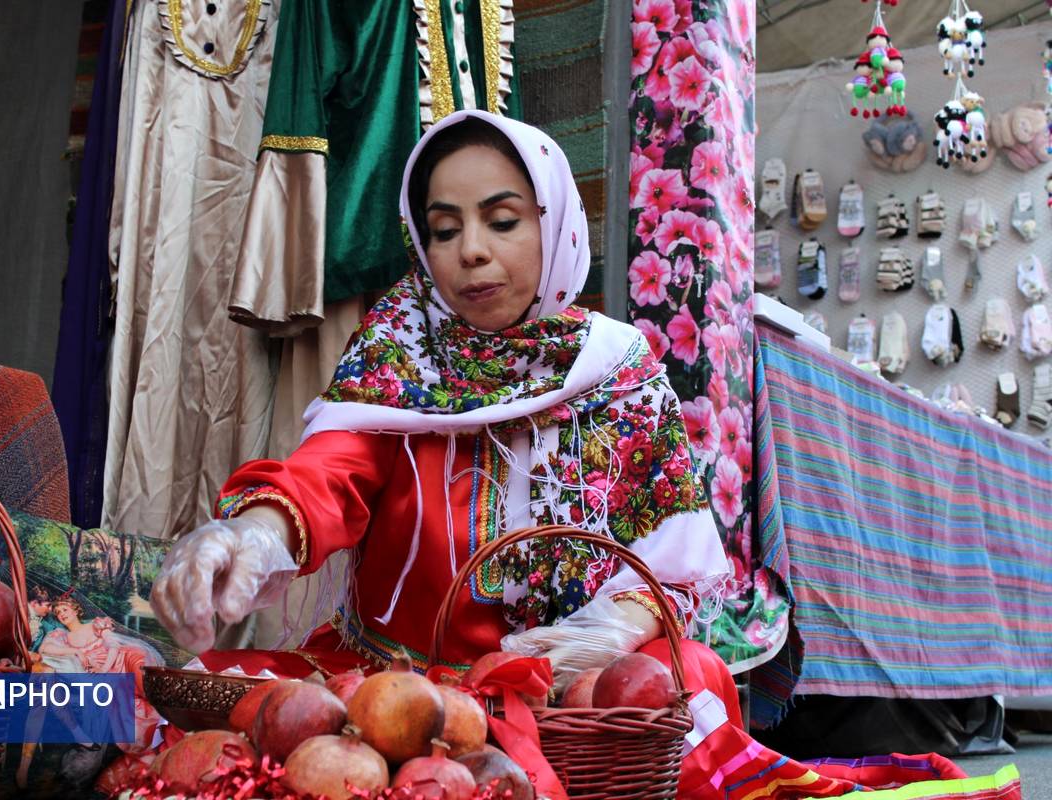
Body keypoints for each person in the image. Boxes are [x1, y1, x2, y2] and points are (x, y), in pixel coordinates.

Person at [152, 111, 969, 798]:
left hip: (575, 689)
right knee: (219, 694)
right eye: (443, 229)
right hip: (398, 685)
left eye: (502, 220)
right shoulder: (400, 351)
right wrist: (253, 534)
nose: (471, 250)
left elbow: (670, 555)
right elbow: (330, 471)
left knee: (693, 679)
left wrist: (610, 627)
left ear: (555, 222)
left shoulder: (616, 369)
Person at [39, 597, 165, 753]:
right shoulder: (61, 636)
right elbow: (45, 649)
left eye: (65, 609)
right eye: (58, 613)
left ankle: (163, 708)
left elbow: (113, 645)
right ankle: (148, 733)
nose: (62, 614)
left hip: (117, 661)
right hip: (97, 673)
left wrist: (104, 669)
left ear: (76, 610)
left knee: (138, 660)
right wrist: (76, 651)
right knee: (113, 687)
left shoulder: (95, 624)